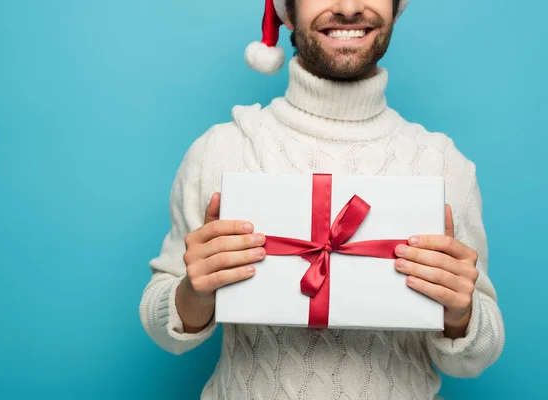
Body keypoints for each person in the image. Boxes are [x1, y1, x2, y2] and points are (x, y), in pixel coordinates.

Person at [139, 0, 505, 398]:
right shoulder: (222, 150)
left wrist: (460, 312)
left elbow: (474, 359)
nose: (348, 8)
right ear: (287, 10)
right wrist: (195, 292)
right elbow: (165, 329)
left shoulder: (444, 164)